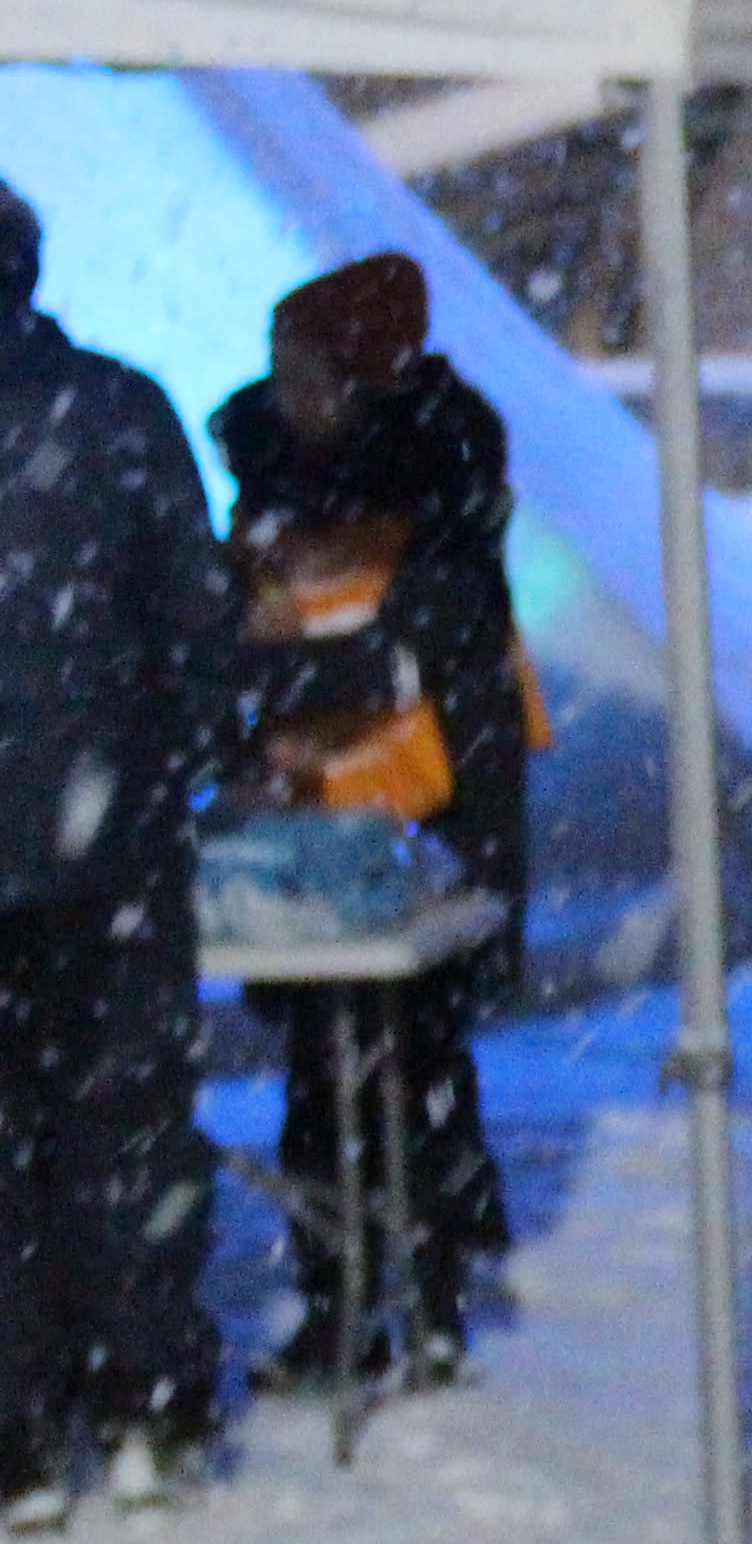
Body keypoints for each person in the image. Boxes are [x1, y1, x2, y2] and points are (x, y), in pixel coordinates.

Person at [213, 253, 527, 1377]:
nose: (287, 396)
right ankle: (345, 1297)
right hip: (317, 820)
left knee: (414, 1057)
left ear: (365, 382)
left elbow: (429, 641)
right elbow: (247, 620)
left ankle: (423, 1293)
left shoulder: (442, 472)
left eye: (307, 375)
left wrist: (275, 688)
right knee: (327, 1066)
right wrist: (254, 718)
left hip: (430, 811)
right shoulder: (273, 472)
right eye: (279, 372)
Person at [0, 180, 237, 1528]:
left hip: (80, 827)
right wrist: (179, 758)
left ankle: (20, 1444)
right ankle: (147, 1405)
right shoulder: (119, 407)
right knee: (127, 1120)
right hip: (112, 848)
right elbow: (196, 618)